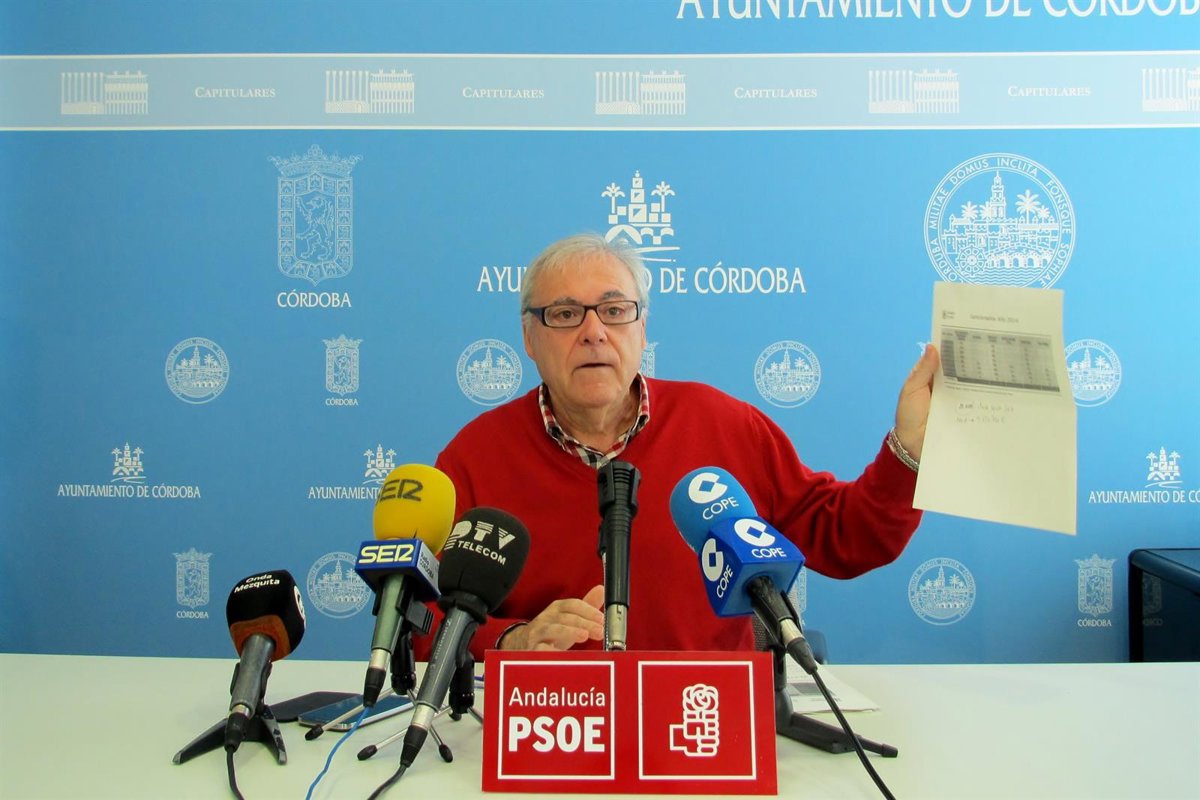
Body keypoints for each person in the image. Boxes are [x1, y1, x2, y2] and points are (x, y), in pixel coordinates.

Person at [430, 232, 939, 659]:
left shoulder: (725, 425)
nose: (594, 332)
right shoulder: (476, 456)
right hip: (549, 723)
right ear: (529, 337)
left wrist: (909, 452)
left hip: (702, 720)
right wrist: (510, 640)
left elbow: (848, 537)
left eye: (614, 310)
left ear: (642, 328)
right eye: (564, 314)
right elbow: (415, 617)